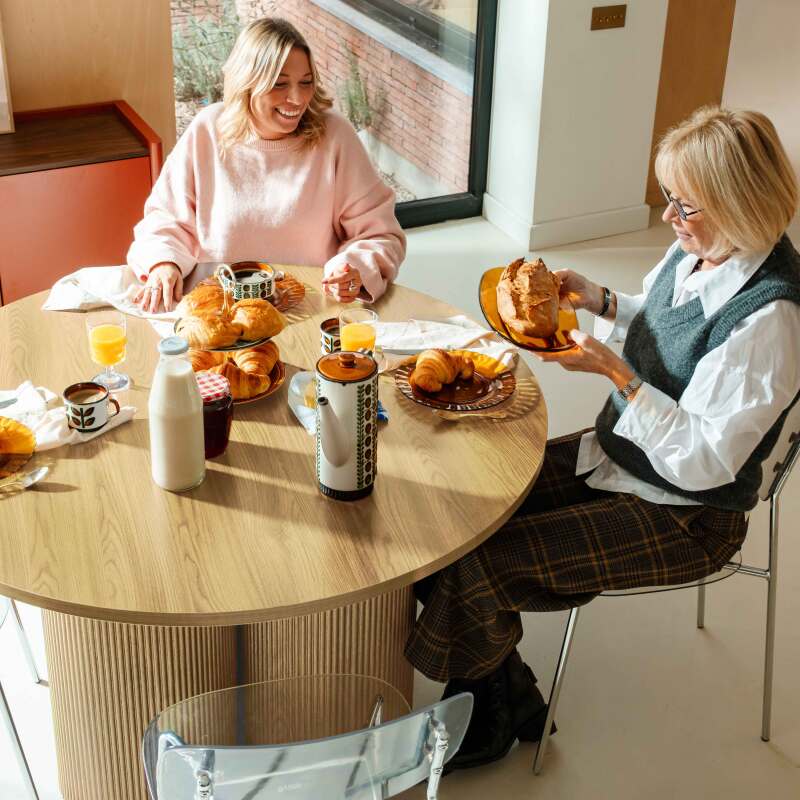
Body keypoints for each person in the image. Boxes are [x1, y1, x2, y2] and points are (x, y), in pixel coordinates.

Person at [406, 106, 800, 770]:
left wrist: (619, 376)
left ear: (737, 206)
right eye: (670, 201)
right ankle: (510, 683)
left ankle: (488, 712)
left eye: (686, 207)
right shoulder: (702, 245)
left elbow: (706, 461)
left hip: (685, 515)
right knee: (457, 512)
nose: (671, 220)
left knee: (480, 561)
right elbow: (669, 326)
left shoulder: (772, 321)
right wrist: (603, 301)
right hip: (623, 454)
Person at [128, 18, 405, 312]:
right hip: (220, 313)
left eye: (306, 82)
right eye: (280, 84)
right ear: (247, 82)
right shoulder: (208, 130)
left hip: (311, 310)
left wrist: (353, 268)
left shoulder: (334, 136)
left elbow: (380, 234)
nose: (297, 98)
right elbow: (164, 219)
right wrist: (164, 263)